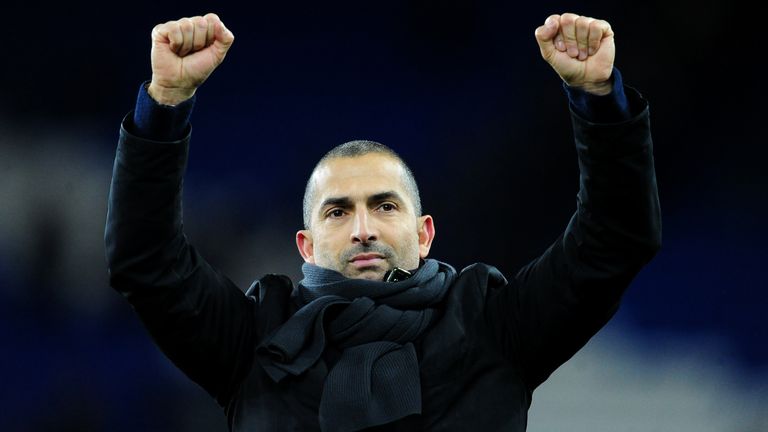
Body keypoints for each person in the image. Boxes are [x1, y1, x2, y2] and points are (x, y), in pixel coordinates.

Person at [105, 11, 661, 432]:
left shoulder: (494, 323)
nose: (363, 227)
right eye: (338, 211)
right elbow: (146, 260)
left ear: (424, 235)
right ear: (305, 246)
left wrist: (596, 98)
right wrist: (166, 103)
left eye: (385, 205)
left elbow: (614, 240)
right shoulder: (252, 338)